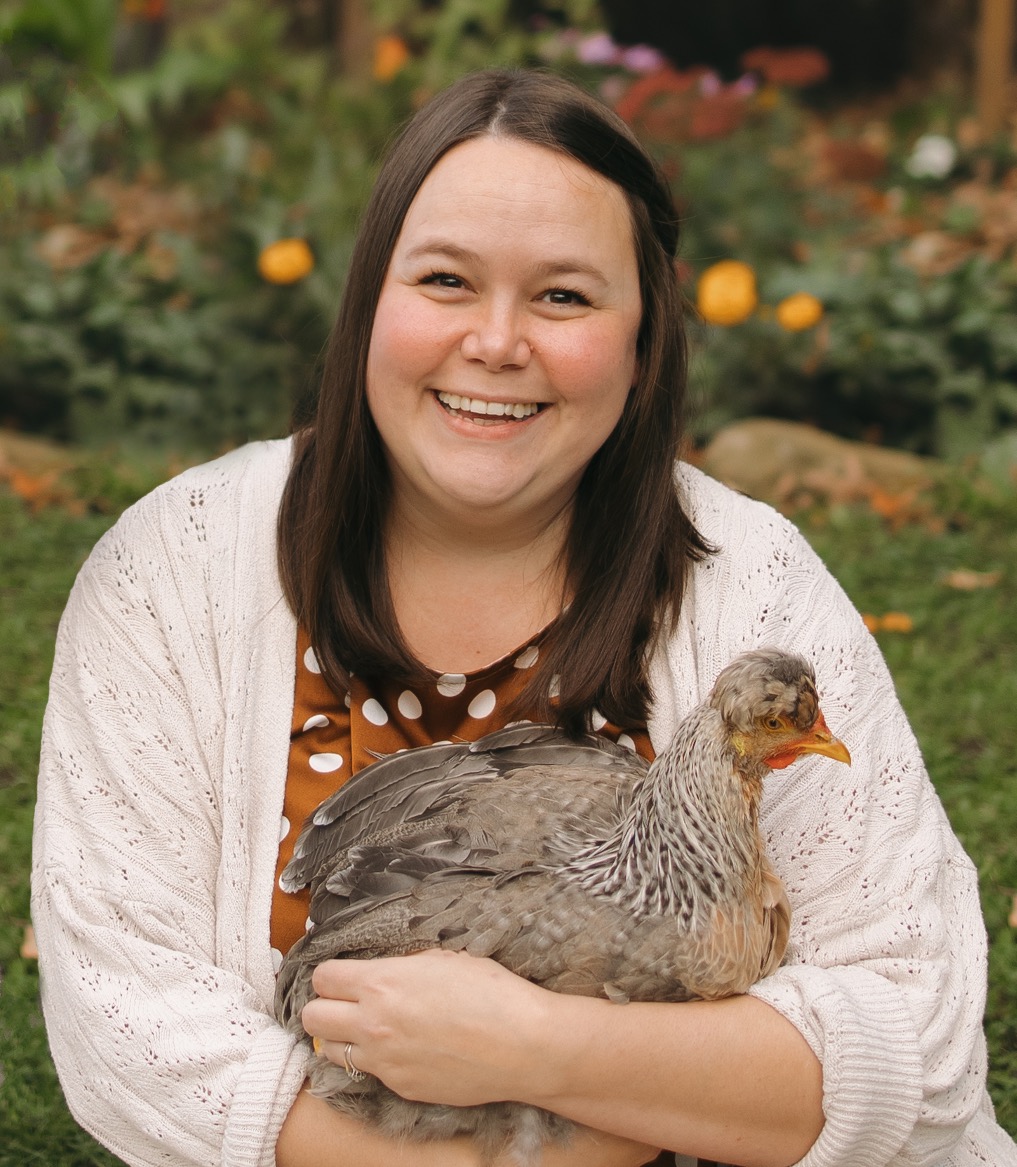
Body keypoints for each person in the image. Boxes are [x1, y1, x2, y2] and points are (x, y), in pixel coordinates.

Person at [31, 68, 1017, 1167]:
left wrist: (541, 1049)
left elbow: (915, 1046)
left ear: (644, 344)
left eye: (563, 297)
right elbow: (131, 1022)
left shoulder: (757, 582)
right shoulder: (172, 572)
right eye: (447, 280)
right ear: (369, 305)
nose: (498, 343)